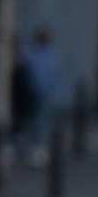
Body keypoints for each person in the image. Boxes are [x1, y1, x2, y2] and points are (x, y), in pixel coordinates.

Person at [19, 25, 65, 163]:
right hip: (32, 90)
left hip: (46, 92)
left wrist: (57, 96)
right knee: (32, 120)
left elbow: (57, 77)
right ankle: (32, 146)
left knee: (42, 120)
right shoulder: (31, 52)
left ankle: (40, 146)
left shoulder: (54, 54)